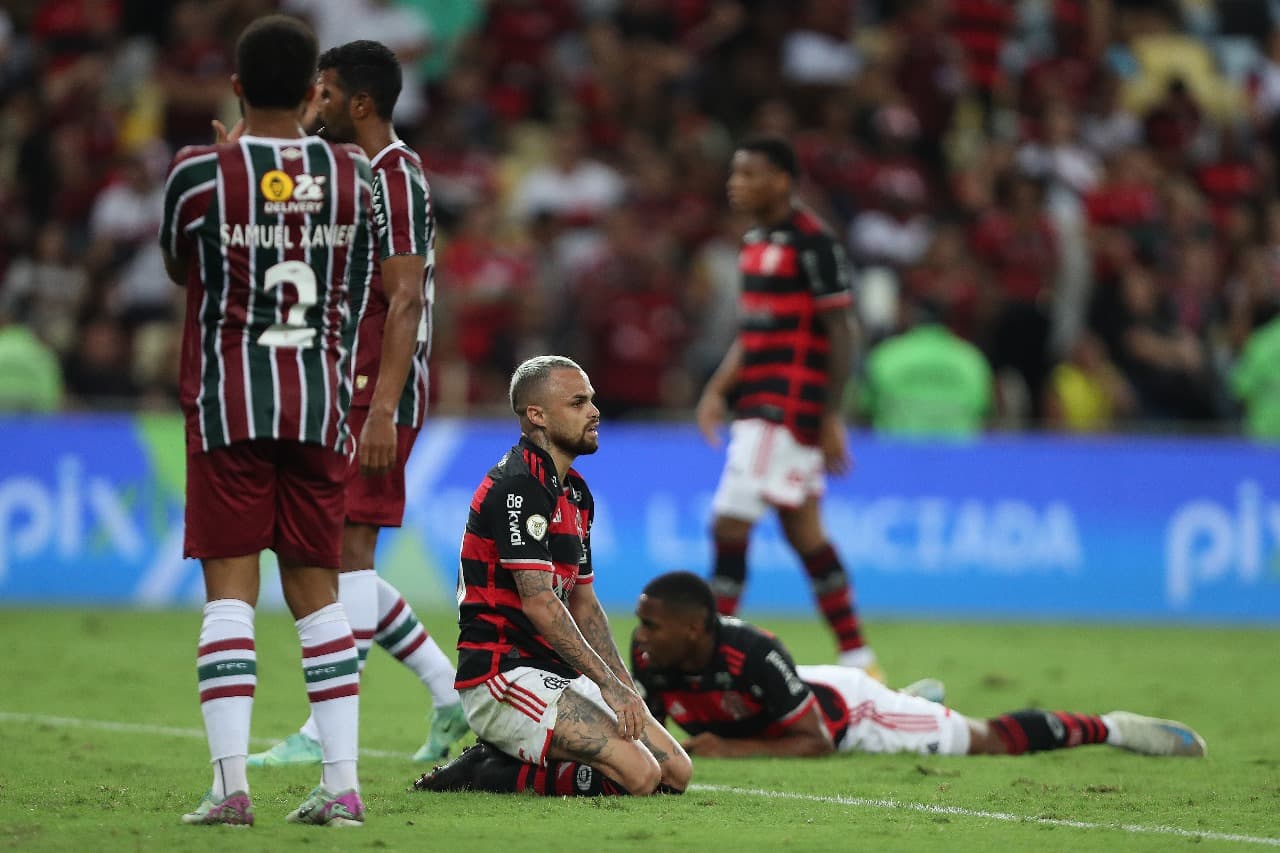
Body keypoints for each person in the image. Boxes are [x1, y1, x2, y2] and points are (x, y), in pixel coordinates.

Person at [160, 15, 376, 827]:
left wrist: (229, 168)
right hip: (321, 403)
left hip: (230, 403)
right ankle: (344, 786)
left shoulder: (199, 173)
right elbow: (357, 286)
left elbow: (181, 265)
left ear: (237, 85)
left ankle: (230, 787)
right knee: (318, 594)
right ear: (317, 91)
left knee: (230, 590)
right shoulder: (355, 176)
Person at [248, 39, 469, 770]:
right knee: (339, 555)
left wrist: (382, 408)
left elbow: (405, 298)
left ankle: (323, 727)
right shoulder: (351, 171)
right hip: (351, 387)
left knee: (343, 555)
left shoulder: (395, 175)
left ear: (362, 103)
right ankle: (448, 691)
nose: (317, 103)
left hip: (381, 390)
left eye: (328, 92)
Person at [411, 355, 692, 797]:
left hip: (558, 673)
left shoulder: (575, 493)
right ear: (536, 416)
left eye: (592, 400)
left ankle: (517, 756)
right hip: (503, 673)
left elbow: (583, 603)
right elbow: (540, 603)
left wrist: (624, 687)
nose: (594, 411)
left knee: (676, 771)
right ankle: (485, 770)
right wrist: (606, 685)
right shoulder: (516, 487)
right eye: (578, 402)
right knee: (640, 777)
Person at [631, 572, 1206, 760]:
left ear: (693, 628)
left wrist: (725, 749)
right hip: (807, 689)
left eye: (653, 625)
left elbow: (815, 743)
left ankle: (1112, 727)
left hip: (851, 715)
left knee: (986, 741)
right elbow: (647, 726)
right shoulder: (651, 656)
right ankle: (916, 701)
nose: (641, 635)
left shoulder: (753, 653)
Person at [694, 136, 879, 676]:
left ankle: (707, 656)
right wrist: (716, 389)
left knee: (729, 524)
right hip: (759, 401)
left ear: (781, 180)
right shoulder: (755, 243)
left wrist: (830, 414)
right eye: (734, 173)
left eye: (748, 174)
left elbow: (841, 329)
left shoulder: (814, 244)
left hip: (785, 406)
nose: (735, 184)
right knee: (805, 534)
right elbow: (752, 334)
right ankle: (859, 656)